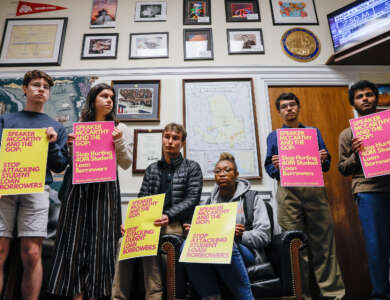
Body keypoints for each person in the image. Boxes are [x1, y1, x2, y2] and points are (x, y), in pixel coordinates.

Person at [47, 83, 133, 300]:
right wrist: (70, 147)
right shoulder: (79, 129)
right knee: (73, 243)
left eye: (112, 97)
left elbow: (126, 164)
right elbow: (68, 164)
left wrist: (118, 142)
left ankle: (96, 294)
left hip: (105, 192)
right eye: (104, 96)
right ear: (93, 100)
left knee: (102, 245)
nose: (109, 100)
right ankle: (75, 295)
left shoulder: (119, 128)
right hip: (78, 191)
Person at [265, 92, 345, 300]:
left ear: (298, 108)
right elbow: (269, 167)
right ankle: (303, 296)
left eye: (292, 105)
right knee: (295, 246)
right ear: (279, 111)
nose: (289, 109)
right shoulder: (274, 136)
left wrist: (323, 158)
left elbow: (326, 165)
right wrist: (276, 167)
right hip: (288, 193)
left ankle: (333, 295)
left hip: (314, 191)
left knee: (324, 246)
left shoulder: (313, 132)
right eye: (284, 106)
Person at [112, 122, 203, 300]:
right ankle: (117, 297)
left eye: (175, 138)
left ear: (182, 143)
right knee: (124, 242)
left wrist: (168, 215)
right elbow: (142, 199)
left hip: (175, 224)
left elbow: (192, 200)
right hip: (150, 223)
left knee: (149, 242)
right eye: (167, 137)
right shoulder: (152, 169)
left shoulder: (192, 167)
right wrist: (131, 224)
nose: (170, 141)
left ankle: (154, 296)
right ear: (162, 139)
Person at [0, 70, 68, 300]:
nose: (41, 89)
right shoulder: (6, 120)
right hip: (4, 191)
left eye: (46, 87)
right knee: (0, 252)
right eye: (36, 85)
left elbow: (59, 167)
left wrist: (52, 144)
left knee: (31, 253)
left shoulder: (55, 127)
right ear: (25, 89)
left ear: (49, 94)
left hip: (37, 190)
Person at [338, 80, 390, 300]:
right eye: (359, 96)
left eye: (368, 94)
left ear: (376, 98)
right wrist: (356, 154)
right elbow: (343, 168)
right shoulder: (347, 135)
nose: (365, 98)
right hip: (369, 192)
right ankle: (381, 296)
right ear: (353, 103)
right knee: (377, 248)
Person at [182, 152, 271, 300]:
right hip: (213, 252)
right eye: (218, 171)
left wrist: (241, 235)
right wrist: (194, 232)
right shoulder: (208, 203)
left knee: (225, 243)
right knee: (186, 245)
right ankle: (212, 296)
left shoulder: (253, 199)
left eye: (227, 170)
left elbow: (264, 236)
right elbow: (203, 234)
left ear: (236, 174)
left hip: (247, 252)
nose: (222, 174)